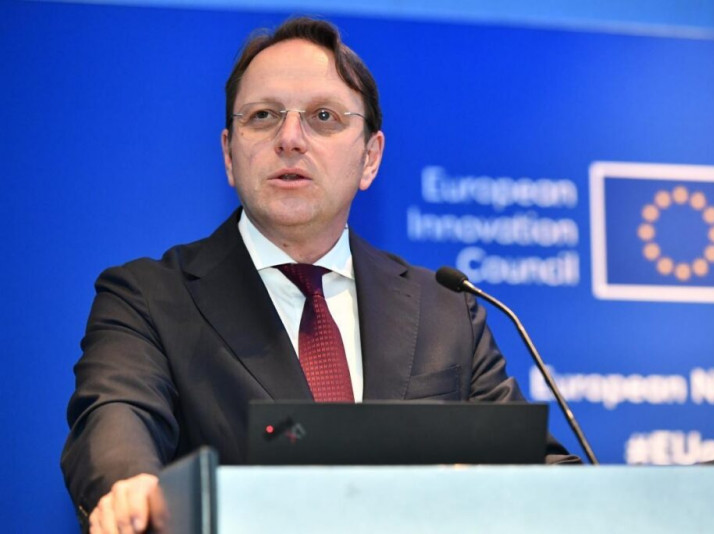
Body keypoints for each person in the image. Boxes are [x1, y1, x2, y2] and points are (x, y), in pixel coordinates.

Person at [61, 17, 579, 534]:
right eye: (263, 116)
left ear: (370, 158)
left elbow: (539, 473)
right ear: (229, 154)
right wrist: (129, 485)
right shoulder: (148, 299)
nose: (290, 139)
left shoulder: (446, 309)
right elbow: (116, 417)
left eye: (323, 116)